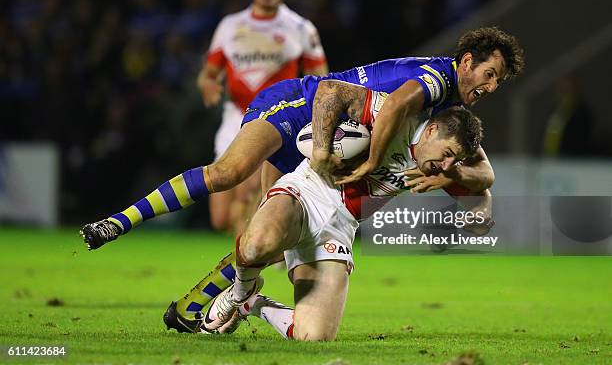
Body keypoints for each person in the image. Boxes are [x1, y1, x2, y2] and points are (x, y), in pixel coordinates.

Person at [80, 26, 523, 253]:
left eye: (497, 82)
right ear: (467, 61)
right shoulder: (436, 80)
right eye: (489, 74)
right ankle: (120, 221)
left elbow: (484, 172)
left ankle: (201, 306)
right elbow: (392, 107)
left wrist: (453, 173)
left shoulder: (451, 109)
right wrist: (370, 165)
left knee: (265, 234)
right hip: (302, 104)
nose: (490, 86)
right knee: (229, 172)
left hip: (328, 135)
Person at [176, 107, 493, 340]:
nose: (448, 164)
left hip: (340, 228)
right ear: (432, 130)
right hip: (308, 189)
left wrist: (479, 216)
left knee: (312, 337)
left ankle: (252, 304)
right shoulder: (392, 113)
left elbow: (480, 194)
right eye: (449, 153)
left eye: (456, 160)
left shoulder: (436, 165)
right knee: (258, 243)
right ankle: (237, 293)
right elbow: (331, 95)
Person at [197, 0, 328, 233]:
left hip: (274, 119)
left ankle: (247, 263)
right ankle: (259, 247)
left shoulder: (300, 28)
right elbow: (209, 72)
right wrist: (208, 84)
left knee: (247, 193)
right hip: (234, 117)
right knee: (220, 217)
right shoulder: (230, 26)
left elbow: (322, 79)